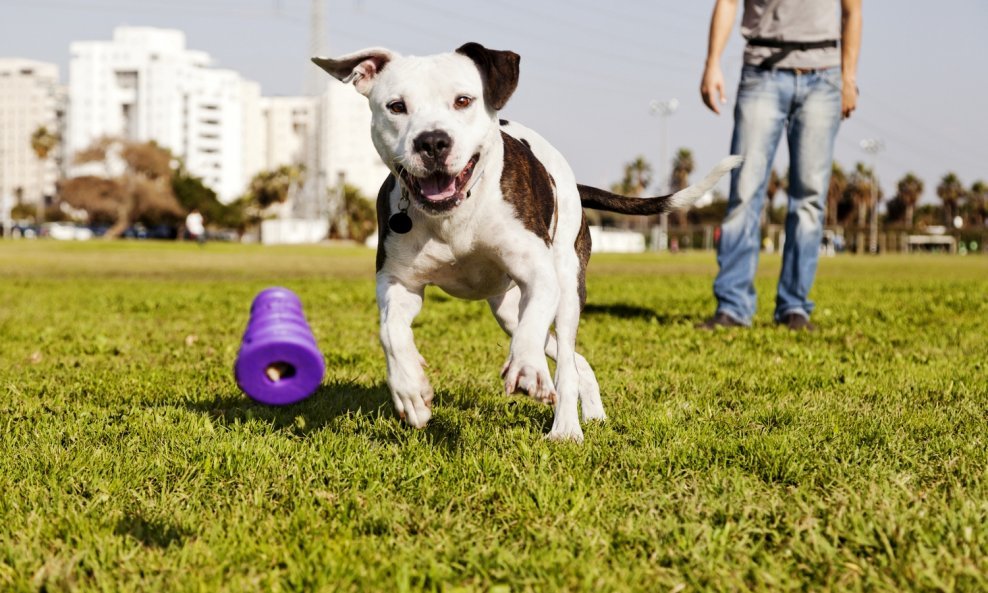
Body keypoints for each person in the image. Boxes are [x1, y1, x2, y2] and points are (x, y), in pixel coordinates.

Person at [697, 0, 861, 331]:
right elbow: (727, 2)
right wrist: (712, 63)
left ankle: (794, 307)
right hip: (762, 71)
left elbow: (852, 10)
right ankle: (732, 306)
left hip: (823, 75)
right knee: (744, 192)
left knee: (810, 199)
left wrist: (848, 77)